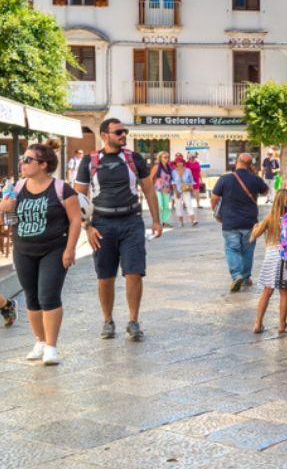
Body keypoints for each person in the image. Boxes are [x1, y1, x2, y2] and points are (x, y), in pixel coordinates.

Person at [74, 118, 162, 341]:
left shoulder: (134, 158)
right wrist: (87, 227)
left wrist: (156, 220)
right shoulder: (89, 161)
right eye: (118, 132)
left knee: (134, 272)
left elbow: (149, 190)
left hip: (131, 221)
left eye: (125, 131)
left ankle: (133, 321)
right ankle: (108, 320)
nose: (124, 135)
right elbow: (79, 198)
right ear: (105, 135)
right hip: (102, 224)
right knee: (105, 276)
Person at [0, 141, 82, 364]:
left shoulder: (61, 189)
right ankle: (39, 341)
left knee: (48, 296)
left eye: (27, 160)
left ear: (43, 165)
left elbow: (76, 220)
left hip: (54, 250)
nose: (22, 163)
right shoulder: (17, 187)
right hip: (24, 249)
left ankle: (52, 347)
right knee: (32, 298)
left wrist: (70, 249)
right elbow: (10, 221)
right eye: (22, 159)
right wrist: (4, 209)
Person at [211, 153, 270, 292]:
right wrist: (254, 174)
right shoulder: (255, 179)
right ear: (250, 165)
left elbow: (214, 198)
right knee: (247, 250)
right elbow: (265, 191)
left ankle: (237, 275)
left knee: (232, 249)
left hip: (230, 221)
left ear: (237, 162)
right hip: (250, 221)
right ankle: (245, 277)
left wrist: (216, 211)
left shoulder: (225, 179)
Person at [250, 188, 287, 335]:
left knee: (267, 292)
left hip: (271, 257)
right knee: (284, 292)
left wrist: (255, 228)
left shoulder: (270, 217)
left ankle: (257, 323)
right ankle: (282, 325)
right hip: (285, 256)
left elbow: (255, 235)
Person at [171, 157, 198, 228]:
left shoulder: (188, 170)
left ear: (183, 162)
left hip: (186, 190)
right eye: (177, 162)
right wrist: (176, 192)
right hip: (177, 191)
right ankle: (181, 222)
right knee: (178, 207)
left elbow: (191, 180)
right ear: (175, 163)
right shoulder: (173, 172)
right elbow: (173, 182)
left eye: (181, 161)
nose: (179, 163)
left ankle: (193, 220)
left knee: (189, 205)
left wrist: (192, 190)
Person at [150, 152, 173, 227]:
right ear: (160, 158)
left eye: (167, 157)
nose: (167, 159)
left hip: (166, 189)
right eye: (165, 157)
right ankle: (158, 222)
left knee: (166, 206)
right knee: (160, 205)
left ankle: (165, 221)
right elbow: (150, 177)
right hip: (158, 188)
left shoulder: (169, 167)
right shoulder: (157, 166)